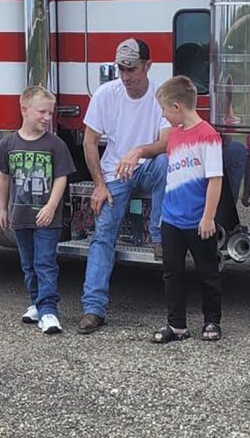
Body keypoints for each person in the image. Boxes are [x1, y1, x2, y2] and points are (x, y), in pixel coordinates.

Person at [79, 38, 170, 334]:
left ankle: (158, 236)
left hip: (145, 167)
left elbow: (166, 142)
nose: (126, 76)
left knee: (166, 162)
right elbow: (90, 142)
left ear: (148, 66)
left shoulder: (160, 95)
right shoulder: (107, 94)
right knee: (103, 235)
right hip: (114, 174)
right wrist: (99, 185)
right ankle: (93, 309)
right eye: (122, 68)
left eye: (132, 69)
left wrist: (138, 152)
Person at [0, 86, 76, 334]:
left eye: (50, 113)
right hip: (20, 216)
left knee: (45, 262)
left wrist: (51, 206)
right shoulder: (8, 143)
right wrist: (3, 209)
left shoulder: (55, 144)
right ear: (24, 109)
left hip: (46, 218)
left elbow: (61, 178)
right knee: (28, 263)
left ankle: (49, 311)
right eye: (42, 112)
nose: (47, 118)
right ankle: (36, 303)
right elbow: (4, 177)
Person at [151, 76, 224, 344]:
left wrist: (208, 217)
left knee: (207, 272)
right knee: (172, 272)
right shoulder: (174, 135)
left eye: (164, 109)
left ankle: (212, 321)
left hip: (198, 219)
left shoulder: (208, 136)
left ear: (177, 106)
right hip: (171, 218)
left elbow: (215, 179)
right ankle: (176, 325)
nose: (163, 114)